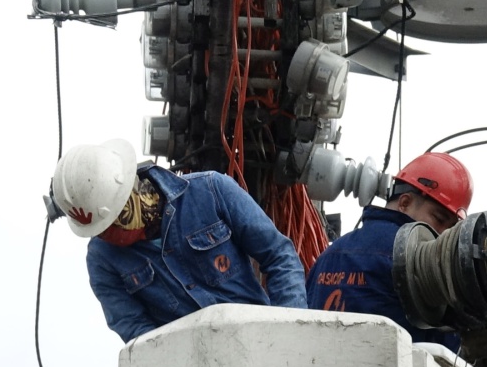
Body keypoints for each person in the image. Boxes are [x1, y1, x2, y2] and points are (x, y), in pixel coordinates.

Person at [55, 139, 308, 342]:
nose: (107, 237)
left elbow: (279, 256)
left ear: (128, 197)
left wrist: (288, 335)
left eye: (111, 226)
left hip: (261, 342)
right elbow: (136, 333)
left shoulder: (211, 191)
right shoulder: (102, 260)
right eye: (100, 231)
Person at [306, 152, 474, 346]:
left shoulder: (327, 256)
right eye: (439, 219)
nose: (443, 235)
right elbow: (452, 353)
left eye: (451, 228)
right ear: (405, 203)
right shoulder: (415, 264)